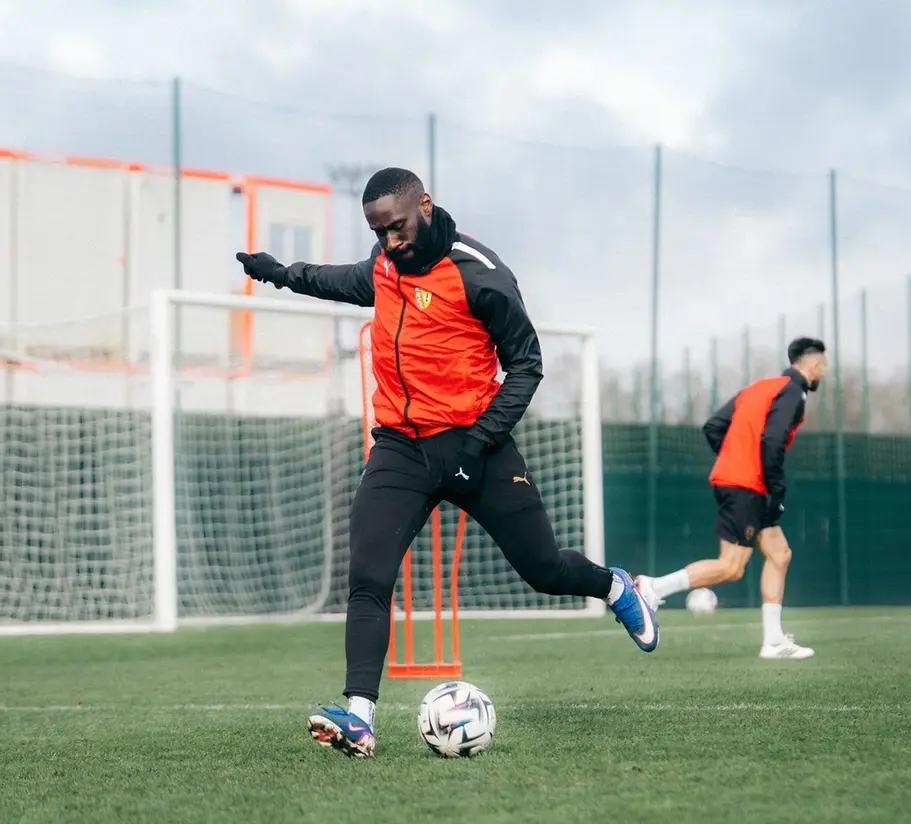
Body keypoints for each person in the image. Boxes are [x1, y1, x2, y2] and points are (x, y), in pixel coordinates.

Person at [235, 167, 658, 758]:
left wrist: (475, 445)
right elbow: (341, 279)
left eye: (398, 227)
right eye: (379, 232)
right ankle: (359, 716)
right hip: (401, 447)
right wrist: (282, 274)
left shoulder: (479, 274)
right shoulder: (385, 267)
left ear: (425, 206)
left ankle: (614, 586)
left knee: (543, 569)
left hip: (475, 443)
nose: (391, 242)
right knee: (369, 574)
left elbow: (527, 366)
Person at [637, 338, 827, 660]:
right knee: (731, 566)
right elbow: (772, 440)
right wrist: (775, 487)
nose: (824, 369)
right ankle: (653, 587)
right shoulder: (794, 393)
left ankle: (774, 641)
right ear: (810, 364)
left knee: (779, 554)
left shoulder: (759, 387)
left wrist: (737, 458)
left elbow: (714, 427)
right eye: (822, 364)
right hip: (748, 485)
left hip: (744, 480)